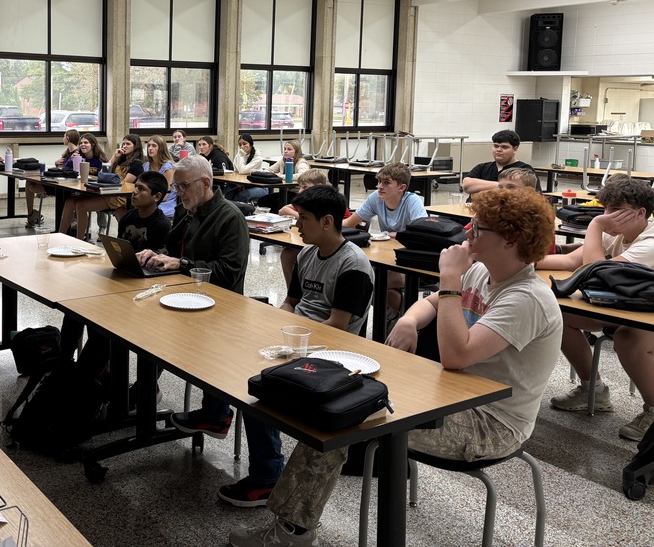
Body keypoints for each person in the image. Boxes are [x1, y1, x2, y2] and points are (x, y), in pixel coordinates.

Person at [229, 188, 562, 547]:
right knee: (340, 403)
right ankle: (293, 523)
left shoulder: (526, 298)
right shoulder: (482, 272)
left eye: (478, 229)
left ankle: (290, 533)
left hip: (490, 424)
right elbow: (431, 304)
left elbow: (456, 355)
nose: (468, 233)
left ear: (510, 240)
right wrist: (408, 320)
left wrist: (449, 279)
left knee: (343, 416)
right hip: (451, 396)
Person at [219, 185, 374, 508]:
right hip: (297, 341)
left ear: (327, 221)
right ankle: (214, 416)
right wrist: (273, 324)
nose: (297, 224)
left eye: (303, 219)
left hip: (330, 355)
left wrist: (290, 339)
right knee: (230, 356)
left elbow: (338, 327)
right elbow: (291, 302)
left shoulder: (354, 266)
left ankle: (267, 476)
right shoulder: (306, 254)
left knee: (259, 385)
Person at [138, 155, 250, 437]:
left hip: (220, 306)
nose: (179, 192)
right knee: (139, 321)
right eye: (176, 187)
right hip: (185, 294)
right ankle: (143, 390)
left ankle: (216, 414)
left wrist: (182, 264)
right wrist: (157, 255)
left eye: (184, 186)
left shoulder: (230, 217)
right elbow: (176, 251)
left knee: (158, 328)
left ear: (206, 183)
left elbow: (228, 273)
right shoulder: (187, 210)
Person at [536, 175, 654, 440]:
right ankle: (594, 389)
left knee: (628, 337)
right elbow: (569, 261)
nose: (608, 215)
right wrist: (518, 262)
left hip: (647, 316)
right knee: (558, 314)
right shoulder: (620, 234)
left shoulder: (650, 242)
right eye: (606, 209)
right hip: (629, 306)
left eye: (616, 210)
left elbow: (598, 273)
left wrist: (595, 224)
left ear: (640, 213)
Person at [60, 171, 171, 363]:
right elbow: (120, 250)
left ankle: (93, 367)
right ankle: (63, 360)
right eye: (135, 187)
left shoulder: (162, 225)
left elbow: (156, 265)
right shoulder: (128, 217)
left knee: (99, 317)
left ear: (156, 197)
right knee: (75, 306)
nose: (134, 192)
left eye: (141, 189)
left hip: (141, 286)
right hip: (121, 275)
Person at [343, 162, 427, 325]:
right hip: (388, 259)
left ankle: (408, 320)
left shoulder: (412, 201)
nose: (379, 186)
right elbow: (349, 223)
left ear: (401, 187)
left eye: (386, 183)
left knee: (372, 283)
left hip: (413, 263)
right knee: (367, 281)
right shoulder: (376, 198)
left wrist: (395, 235)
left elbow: (421, 232)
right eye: (379, 181)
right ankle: (396, 317)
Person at [58, 134, 142, 240]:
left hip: (118, 197)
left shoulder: (137, 164)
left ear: (136, 146)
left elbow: (124, 184)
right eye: (123, 143)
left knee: (81, 205)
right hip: (107, 191)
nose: (124, 146)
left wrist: (110, 178)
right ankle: (60, 235)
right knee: (69, 202)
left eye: (128, 144)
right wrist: (114, 157)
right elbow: (103, 172)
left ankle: (80, 240)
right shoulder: (120, 160)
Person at [25, 129, 80, 228]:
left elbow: (69, 170)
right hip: (58, 180)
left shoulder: (76, 154)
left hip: (64, 184)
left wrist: (59, 166)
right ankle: (31, 215)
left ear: (67, 138)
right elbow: (61, 168)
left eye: (64, 136)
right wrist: (56, 163)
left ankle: (32, 215)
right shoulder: (67, 152)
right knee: (29, 182)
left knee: (32, 187)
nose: (63, 139)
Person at [462, 130, 535, 195]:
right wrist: (506, 187)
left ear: (515, 149)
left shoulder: (524, 170)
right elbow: (467, 185)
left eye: (504, 147)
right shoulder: (483, 167)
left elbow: (530, 194)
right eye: (496, 146)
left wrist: (480, 187)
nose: (499, 150)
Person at [142, 135, 178, 218]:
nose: (150, 148)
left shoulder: (167, 167)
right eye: (149, 145)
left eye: (154, 146)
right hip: (149, 199)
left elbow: (165, 195)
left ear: (161, 148)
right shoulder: (146, 166)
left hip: (165, 202)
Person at [229, 133, 268, 204]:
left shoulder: (258, 158)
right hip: (245, 185)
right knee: (229, 194)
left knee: (241, 196)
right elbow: (236, 171)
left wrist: (241, 155)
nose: (242, 146)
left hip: (260, 187)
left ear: (251, 144)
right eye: (240, 144)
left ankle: (241, 210)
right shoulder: (239, 155)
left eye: (244, 144)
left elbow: (242, 171)